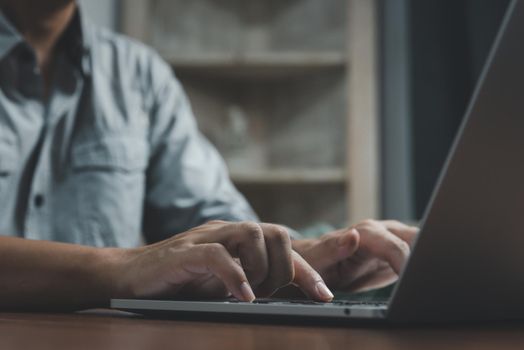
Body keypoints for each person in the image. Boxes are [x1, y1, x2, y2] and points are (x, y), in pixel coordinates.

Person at [0, 0, 418, 310]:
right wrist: (125, 268)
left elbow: (214, 218)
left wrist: (305, 258)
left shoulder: (140, 75)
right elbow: (140, 265)